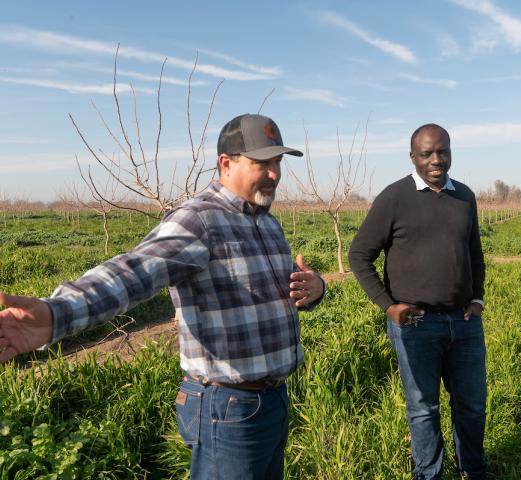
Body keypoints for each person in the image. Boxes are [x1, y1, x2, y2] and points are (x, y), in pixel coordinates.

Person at [0, 113, 326, 480]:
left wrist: (316, 289)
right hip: (229, 406)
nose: (274, 173)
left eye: (277, 162)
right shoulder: (200, 220)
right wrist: (57, 313)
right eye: (262, 163)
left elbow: (280, 293)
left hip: (273, 400)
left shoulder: (266, 222)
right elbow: (134, 271)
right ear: (226, 163)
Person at [348, 123, 487, 479]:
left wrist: (477, 299)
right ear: (413, 157)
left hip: (465, 323)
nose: (436, 160)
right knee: (424, 408)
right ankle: (429, 474)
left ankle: (473, 469)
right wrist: (388, 305)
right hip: (416, 325)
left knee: (471, 406)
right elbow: (360, 255)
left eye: (443, 151)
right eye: (427, 153)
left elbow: (474, 252)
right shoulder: (394, 197)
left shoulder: (465, 196)